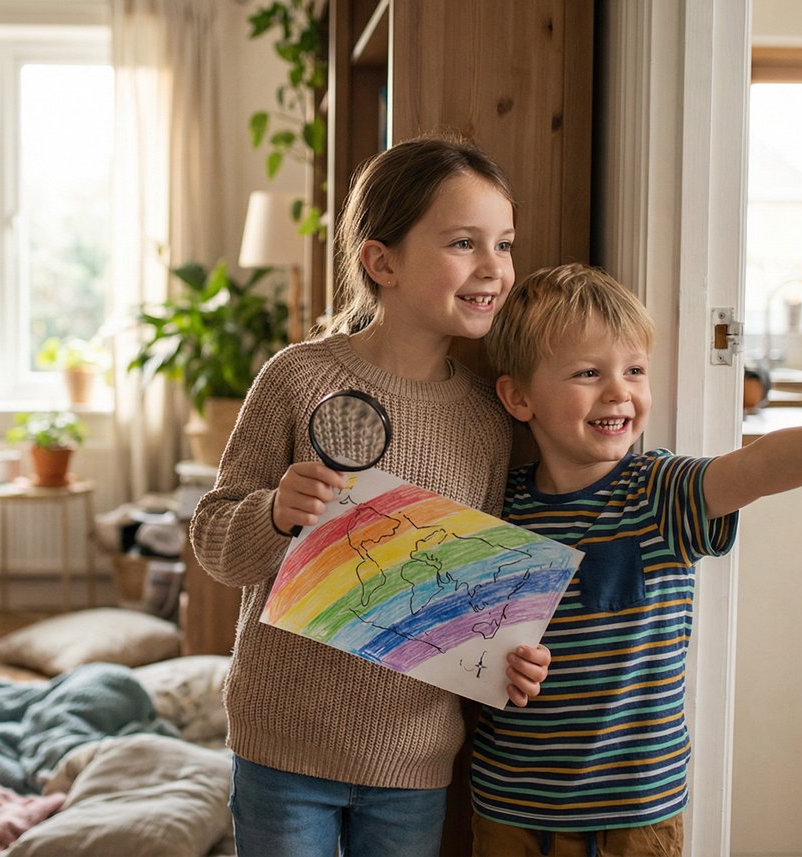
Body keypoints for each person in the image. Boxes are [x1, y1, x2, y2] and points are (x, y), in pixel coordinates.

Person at [471, 262, 802, 856]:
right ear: (519, 397)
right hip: (510, 804)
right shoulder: (497, 508)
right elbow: (466, 641)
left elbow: (757, 467)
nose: (620, 392)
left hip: (637, 811)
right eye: (589, 373)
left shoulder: (658, 493)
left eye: (634, 370)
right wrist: (499, 663)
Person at [189, 134, 553, 857]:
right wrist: (273, 513)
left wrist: (512, 653)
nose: (494, 268)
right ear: (382, 262)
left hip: (414, 757)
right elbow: (213, 540)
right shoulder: (296, 378)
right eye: (464, 243)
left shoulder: (490, 418)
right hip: (282, 743)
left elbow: (474, 593)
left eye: (504, 244)